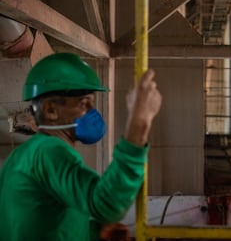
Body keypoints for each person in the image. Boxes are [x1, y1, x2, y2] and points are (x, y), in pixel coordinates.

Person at [0, 52, 162, 240]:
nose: (93, 113)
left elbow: (44, 221)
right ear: (51, 110)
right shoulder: (50, 151)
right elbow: (107, 205)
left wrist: (95, 232)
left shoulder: (21, 155)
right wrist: (139, 122)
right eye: (85, 104)